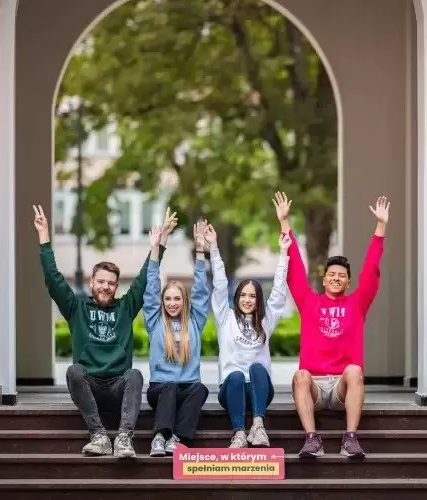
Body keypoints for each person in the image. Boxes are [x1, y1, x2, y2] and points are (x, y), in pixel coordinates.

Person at [34, 204, 176, 459]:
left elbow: (144, 278)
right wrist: (44, 237)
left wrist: (160, 243)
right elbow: (53, 280)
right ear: (91, 283)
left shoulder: (125, 307)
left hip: (118, 388)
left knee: (134, 374)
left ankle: (123, 439)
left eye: (111, 283)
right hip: (89, 387)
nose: (106, 287)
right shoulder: (76, 307)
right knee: (74, 371)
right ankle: (98, 436)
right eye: (101, 281)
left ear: (116, 286)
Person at [272, 191, 389, 459]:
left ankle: (350, 439)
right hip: (314, 386)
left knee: (355, 371)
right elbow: (296, 272)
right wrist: (285, 224)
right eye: (332, 275)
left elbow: (371, 271)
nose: (336, 278)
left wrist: (380, 229)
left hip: (341, 388)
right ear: (324, 280)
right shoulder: (308, 301)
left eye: (342, 276)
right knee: (300, 375)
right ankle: (312, 440)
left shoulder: (357, 303)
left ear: (348, 282)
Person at [206, 221, 292, 448]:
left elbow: (279, 291)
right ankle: (239, 434)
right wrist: (213, 248)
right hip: (231, 390)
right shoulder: (226, 317)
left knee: (257, 368)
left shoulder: (266, 320)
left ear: (258, 300)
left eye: (252, 296)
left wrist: (284, 253)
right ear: (237, 297)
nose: (247, 299)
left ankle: (258, 426)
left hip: (259, 389)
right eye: (243, 295)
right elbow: (220, 285)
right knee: (234, 375)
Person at [143, 221, 211, 457]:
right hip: (160, 390)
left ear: (184, 301)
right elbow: (151, 288)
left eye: (177, 299)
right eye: (168, 299)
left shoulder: (195, 321)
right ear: (163, 302)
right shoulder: (154, 322)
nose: (172, 303)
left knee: (200, 389)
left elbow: (201, 291)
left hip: (187, 389)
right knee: (170, 386)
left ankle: (176, 438)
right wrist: (155, 249)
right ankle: (159, 437)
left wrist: (201, 251)